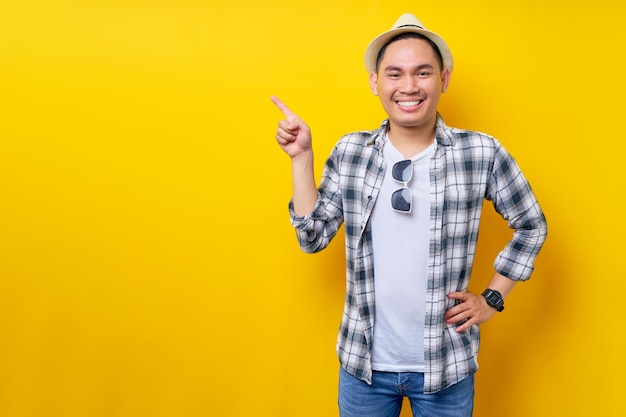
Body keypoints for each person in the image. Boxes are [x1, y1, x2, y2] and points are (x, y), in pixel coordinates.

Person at [271, 13, 547, 417]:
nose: (409, 86)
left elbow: (531, 223)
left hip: (445, 365)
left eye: (423, 73)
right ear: (375, 82)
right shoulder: (352, 152)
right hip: (363, 365)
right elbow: (312, 237)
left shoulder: (480, 152)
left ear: (444, 79)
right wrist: (302, 160)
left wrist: (492, 298)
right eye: (394, 74)